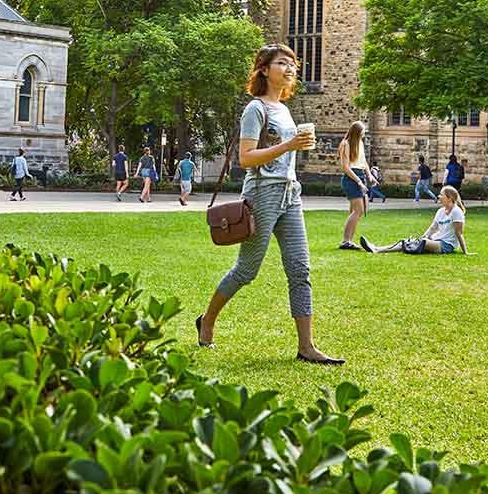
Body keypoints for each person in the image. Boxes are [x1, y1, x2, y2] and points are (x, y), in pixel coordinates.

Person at [196, 43, 344, 365]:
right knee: (246, 271)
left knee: (300, 269)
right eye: (282, 63)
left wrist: (294, 147)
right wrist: (290, 144)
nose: (290, 69)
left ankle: (306, 347)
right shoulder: (256, 109)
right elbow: (246, 158)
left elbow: (283, 152)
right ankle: (207, 321)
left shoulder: (285, 110)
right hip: (262, 194)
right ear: (264, 69)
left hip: (290, 194)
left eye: (293, 64)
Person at [360, 185, 469, 255]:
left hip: (446, 245)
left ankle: (378, 249)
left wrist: (465, 252)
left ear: (449, 198)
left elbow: (459, 233)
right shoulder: (440, 211)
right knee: (410, 242)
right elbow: (432, 228)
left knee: (421, 243)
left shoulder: (456, 212)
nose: (438, 196)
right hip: (436, 240)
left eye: (441, 195)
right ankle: (377, 249)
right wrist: (423, 236)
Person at [337, 121, 374, 250]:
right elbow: (346, 167)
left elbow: (363, 162)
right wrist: (359, 182)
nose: (363, 134)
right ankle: (345, 241)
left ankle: (349, 241)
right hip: (350, 178)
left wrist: (369, 175)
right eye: (362, 132)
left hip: (360, 176)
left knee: (357, 211)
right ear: (356, 132)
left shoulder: (360, 143)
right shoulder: (345, 144)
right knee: (359, 210)